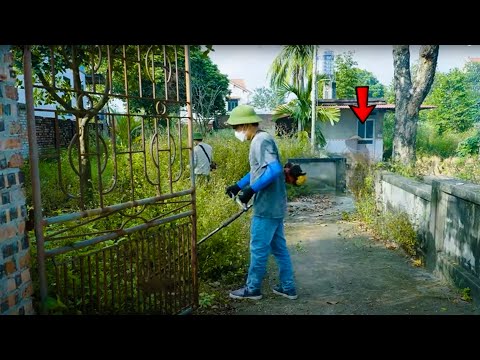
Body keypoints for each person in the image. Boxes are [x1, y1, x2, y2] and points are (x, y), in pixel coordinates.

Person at [225, 105, 297, 300]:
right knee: (279, 248)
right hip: (274, 204)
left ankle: (253, 289)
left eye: (236, 128)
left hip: (266, 206)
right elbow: (258, 169)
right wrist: (239, 185)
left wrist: (251, 190)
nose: (235, 132)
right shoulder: (260, 139)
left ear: (246, 125)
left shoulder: (261, 140)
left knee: (258, 248)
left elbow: (273, 170)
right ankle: (288, 287)